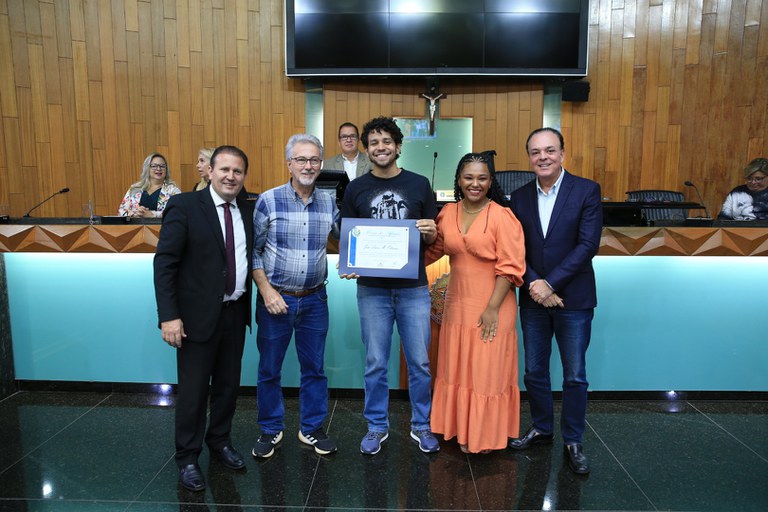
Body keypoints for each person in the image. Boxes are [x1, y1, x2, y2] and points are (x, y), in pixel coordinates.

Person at [153, 145, 254, 491]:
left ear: (244, 176)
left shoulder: (248, 207)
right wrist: (169, 316)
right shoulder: (184, 206)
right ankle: (187, 457)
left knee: (227, 387)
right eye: (224, 169)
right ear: (210, 171)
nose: (231, 177)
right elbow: (165, 263)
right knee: (194, 392)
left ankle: (220, 442)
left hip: (235, 313)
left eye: (237, 171)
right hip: (195, 317)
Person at [340, 116, 440, 455]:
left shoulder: (420, 184)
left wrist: (431, 232)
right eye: (374, 143)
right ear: (367, 150)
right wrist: (350, 261)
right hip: (372, 290)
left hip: (414, 289)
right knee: (375, 362)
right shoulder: (355, 188)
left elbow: (431, 236)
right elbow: (349, 235)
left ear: (398, 147)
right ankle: (376, 426)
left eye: (386, 141)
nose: (380, 147)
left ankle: (421, 424)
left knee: (419, 363)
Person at [508, 128, 602, 475]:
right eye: (535, 152)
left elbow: (587, 245)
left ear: (562, 153)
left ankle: (573, 439)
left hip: (573, 298)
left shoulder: (586, 190)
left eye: (549, 150)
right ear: (529, 157)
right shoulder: (518, 197)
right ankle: (542, 428)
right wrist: (536, 283)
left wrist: (550, 284)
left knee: (575, 375)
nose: (542, 157)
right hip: (533, 297)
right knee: (534, 370)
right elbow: (515, 249)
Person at [425, 153, 526, 454]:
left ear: (491, 181)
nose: (475, 183)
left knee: (486, 372)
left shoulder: (503, 216)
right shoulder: (448, 212)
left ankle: (484, 436)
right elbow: (432, 252)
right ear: (458, 180)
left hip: (493, 304)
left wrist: (492, 308)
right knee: (458, 369)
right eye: (469, 177)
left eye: (482, 178)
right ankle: (459, 428)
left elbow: (510, 267)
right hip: (457, 305)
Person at [250, 134, 339, 458]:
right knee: (269, 369)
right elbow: (253, 252)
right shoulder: (268, 200)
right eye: (301, 159)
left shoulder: (329, 202)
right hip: (275, 300)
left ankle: (311, 428)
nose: (308, 165)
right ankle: (270, 429)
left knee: (314, 369)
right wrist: (266, 291)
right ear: (289, 163)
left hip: (315, 300)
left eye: (314, 159)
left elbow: (351, 238)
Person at [118, 153, 181, 217]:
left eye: (162, 166)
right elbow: (121, 212)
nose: (158, 169)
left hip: (162, 224)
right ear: (147, 168)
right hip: (136, 223)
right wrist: (136, 213)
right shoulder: (135, 188)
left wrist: (153, 214)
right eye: (154, 166)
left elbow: (178, 212)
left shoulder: (173, 190)